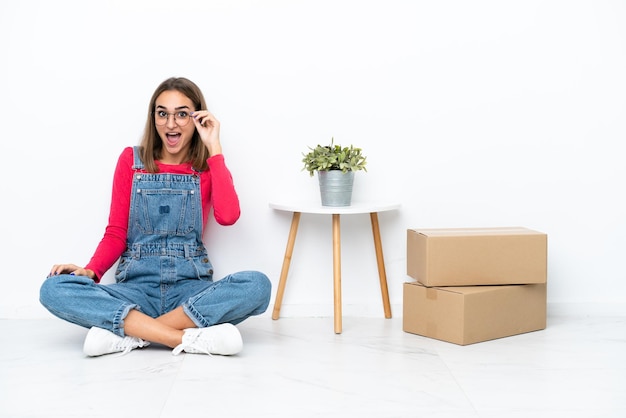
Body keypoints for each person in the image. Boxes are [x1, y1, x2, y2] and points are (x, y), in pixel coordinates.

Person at [40, 77, 271, 357]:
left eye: (182, 114)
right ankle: (184, 337)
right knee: (53, 288)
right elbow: (116, 232)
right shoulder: (132, 161)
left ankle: (134, 334)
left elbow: (228, 216)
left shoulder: (207, 167)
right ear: (154, 118)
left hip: (189, 290)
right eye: (163, 113)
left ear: (198, 119)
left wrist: (215, 149)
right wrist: (91, 271)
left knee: (258, 285)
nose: (171, 124)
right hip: (135, 290)